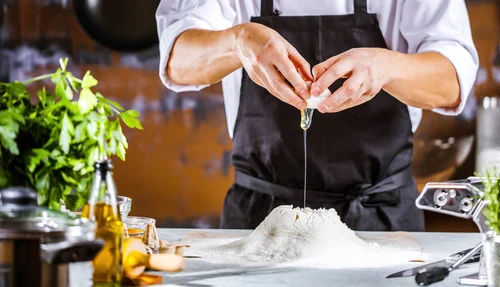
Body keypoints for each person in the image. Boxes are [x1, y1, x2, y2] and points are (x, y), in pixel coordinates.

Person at [156, 0, 478, 231]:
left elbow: (452, 80)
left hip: (382, 224)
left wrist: (385, 68)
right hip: (260, 223)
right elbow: (177, 59)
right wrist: (239, 42)